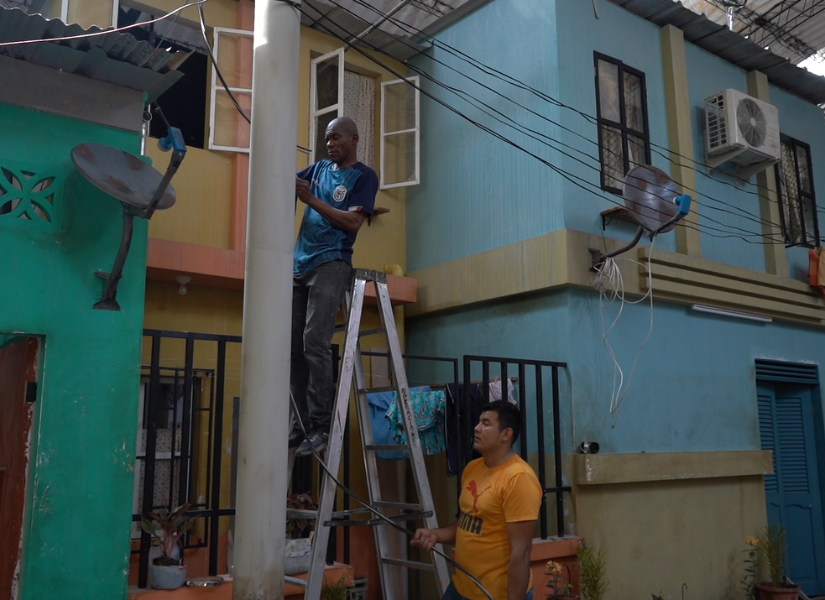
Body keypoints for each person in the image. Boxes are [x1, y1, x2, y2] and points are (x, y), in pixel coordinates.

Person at [290, 116, 377, 456]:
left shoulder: (363, 176)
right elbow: (283, 182)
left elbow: (354, 222)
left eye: (336, 137)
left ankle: (319, 426)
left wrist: (311, 200)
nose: (330, 144)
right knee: (293, 347)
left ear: (354, 139)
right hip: (299, 264)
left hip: (332, 262)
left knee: (315, 340)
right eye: (327, 139)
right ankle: (299, 425)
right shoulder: (318, 168)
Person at [410, 401, 542, 600]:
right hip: (461, 588)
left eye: (486, 423)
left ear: (506, 435)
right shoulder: (472, 468)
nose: (476, 428)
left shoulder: (519, 478)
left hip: (494, 594)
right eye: (479, 422)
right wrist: (435, 535)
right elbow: (469, 523)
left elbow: (521, 552)